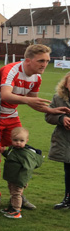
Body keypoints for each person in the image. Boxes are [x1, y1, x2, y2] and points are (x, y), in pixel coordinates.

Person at [0, 44, 65, 210]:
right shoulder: (11, 70)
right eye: (41, 61)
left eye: (47, 61)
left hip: (11, 117)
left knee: (23, 156)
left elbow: (35, 102)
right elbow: (5, 95)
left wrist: (50, 110)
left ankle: (17, 195)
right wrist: (27, 100)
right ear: (27, 60)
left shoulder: (37, 78)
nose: (44, 64)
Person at [0, 127, 43, 219]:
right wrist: (4, 152)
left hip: (19, 179)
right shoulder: (13, 149)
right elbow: (12, 157)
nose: (18, 143)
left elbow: (27, 168)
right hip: (12, 177)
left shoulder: (25, 154)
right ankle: (12, 207)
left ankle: (16, 210)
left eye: (21, 140)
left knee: (16, 194)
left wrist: (21, 181)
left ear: (26, 141)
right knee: (12, 192)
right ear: (11, 139)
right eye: (15, 140)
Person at [46, 72, 70, 210]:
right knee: (68, 170)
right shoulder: (58, 98)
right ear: (65, 84)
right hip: (65, 141)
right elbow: (48, 116)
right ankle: (67, 198)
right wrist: (62, 119)